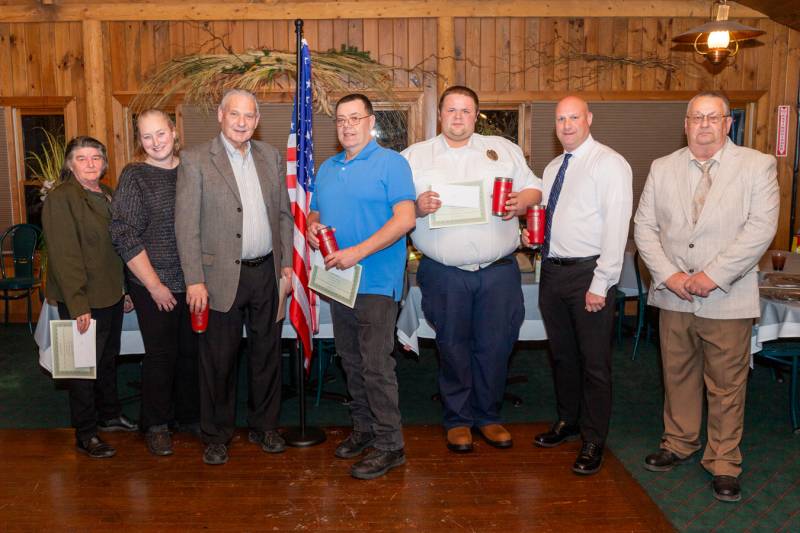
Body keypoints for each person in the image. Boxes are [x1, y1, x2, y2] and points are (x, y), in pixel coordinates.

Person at [634, 90, 778, 502]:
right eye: (696, 117)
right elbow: (643, 227)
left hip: (727, 298)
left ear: (727, 123)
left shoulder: (757, 165)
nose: (704, 125)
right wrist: (670, 275)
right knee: (676, 375)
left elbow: (760, 230)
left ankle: (723, 461)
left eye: (712, 117)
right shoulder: (663, 168)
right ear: (685, 123)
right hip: (674, 294)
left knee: (726, 385)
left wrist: (713, 276)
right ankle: (678, 442)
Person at [402, 85, 542, 453]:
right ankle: (458, 420)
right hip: (444, 272)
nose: (458, 117)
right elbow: (395, 207)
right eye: (451, 110)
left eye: (466, 110)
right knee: (452, 347)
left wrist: (520, 202)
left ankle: (489, 416)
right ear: (440, 115)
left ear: (475, 115)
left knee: (496, 346)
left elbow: (535, 189)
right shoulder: (414, 157)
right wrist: (417, 206)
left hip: (498, 271)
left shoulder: (503, 150)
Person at [175, 89, 294, 465]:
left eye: (249, 116)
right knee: (219, 360)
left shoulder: (270, 157)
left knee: (267, 355)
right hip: (218, 278)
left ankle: (265, 426)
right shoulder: (194, 161)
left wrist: (287, 264)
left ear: (257, 121)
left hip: (267, 273)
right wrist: (194, 280)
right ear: (220, 116)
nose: (242, 122)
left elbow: (283, 216)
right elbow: (186, 226)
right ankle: (216, 434)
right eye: (235, 115)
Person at [307, 93, 416, 480]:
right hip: (339, 280)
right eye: (340, 119)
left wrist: (357, 252)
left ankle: (391, 445)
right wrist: (312, 226)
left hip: (376, 281)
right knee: (350, 360)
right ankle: (365, 429)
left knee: (375, 365)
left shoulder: (392, 163)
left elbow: (405, 219)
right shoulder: (327, 167)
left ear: (371, 122)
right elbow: (315, 212)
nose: (347, 125)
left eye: (355, 118)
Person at [523, 96, 632, 475]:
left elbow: (617, 228)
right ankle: (568, 421)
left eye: (573, 117)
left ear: (589, 119)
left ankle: (593, 439)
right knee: (562, 357)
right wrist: (534, 239)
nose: (566, 125)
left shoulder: (610, 164)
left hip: (590, 274)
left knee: (594, 363)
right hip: (552, 271)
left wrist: (601, 284)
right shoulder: (554, 167)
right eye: (560, 119)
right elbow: (561, 218)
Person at [110, 109, 200, 456]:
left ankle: (189, 415)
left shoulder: (192, 169)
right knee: (161, 354)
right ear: (140, 141)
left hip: (193, 281)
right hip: (153, 281)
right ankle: (157, 424)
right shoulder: (135, 176)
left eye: (160, 134)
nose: (155, 142)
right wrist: (154, 285)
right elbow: (123, 233)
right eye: (147, 137)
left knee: (191, 352)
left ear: (174, 132)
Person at [42, 136, 138, 459]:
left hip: (111, 292)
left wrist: (125, 288)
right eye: (82, 158)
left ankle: (109, 414)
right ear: (70, 164)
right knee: (82, 367)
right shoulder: (62, 197)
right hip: (81, 297)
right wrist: (78, 303)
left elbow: (118, 247)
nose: (90, 164)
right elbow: (64, 255)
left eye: (96, 157)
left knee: (108, 358)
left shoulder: (108, 194)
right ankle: (85, 432)